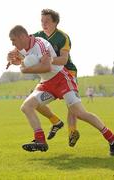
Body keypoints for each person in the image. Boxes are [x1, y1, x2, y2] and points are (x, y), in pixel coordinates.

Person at [8, 25, 114, 156]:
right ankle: (40, 140)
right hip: (46, 84)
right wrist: (13, 60)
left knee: (79, 113)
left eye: (13, 40)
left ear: (22, 37)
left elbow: (47, 67)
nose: (12, 43)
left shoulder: (40, 44)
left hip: (62, 80)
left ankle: (112, 138)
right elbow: (22, 60)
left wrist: (26, 70)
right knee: (26, 106)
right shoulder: (22, 47)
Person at [33, 9, 79, 147]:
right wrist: (13, 54)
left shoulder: (62, 37)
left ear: (55, 22)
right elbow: (24, 46)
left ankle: (72, 132)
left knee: (72, 106)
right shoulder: (37, 36)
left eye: (47, 21)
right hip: (50, 75)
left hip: (68, 72)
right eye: (42, 21)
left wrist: (47, 60)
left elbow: (64, 60)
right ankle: (56, 121)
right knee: (34, 103)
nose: (43, 24)